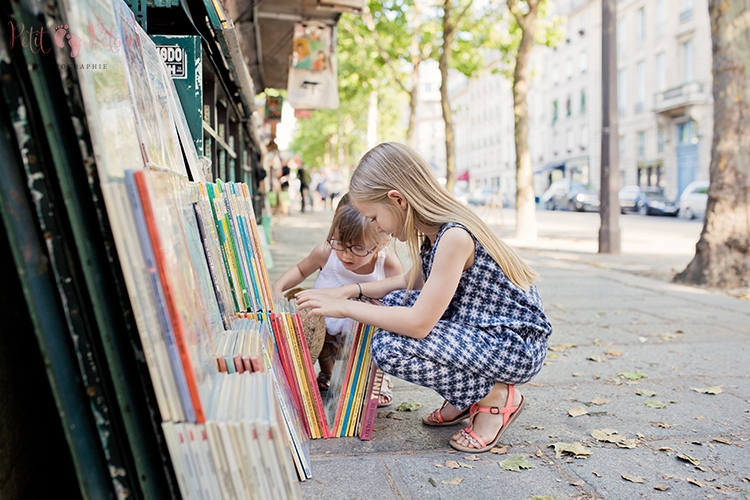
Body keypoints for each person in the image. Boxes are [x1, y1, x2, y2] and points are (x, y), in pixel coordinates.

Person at [296, 142, 552, 453]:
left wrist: (345, 307)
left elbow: (418, 324)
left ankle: (492, 397)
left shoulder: (454, 236)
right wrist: (351, 291)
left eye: (374, 217)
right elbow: (407, 284)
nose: (376, 228)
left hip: (512, 346)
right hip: (485, 334)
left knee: (390, 347)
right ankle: (466, 395)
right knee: (383, 306)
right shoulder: (436, 232)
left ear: (398, 200)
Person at [272, 193, 403, 406]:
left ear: (382, 243)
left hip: (362, 334)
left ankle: (376, 379)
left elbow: (398, 298)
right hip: (325, 329)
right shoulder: (326, 253)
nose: (345, 255)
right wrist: (277, 287)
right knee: (316, 333)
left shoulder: (387, 264)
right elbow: (300, 269)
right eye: (339, 242)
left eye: (358, 248)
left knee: (377, 339)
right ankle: (328, 373)